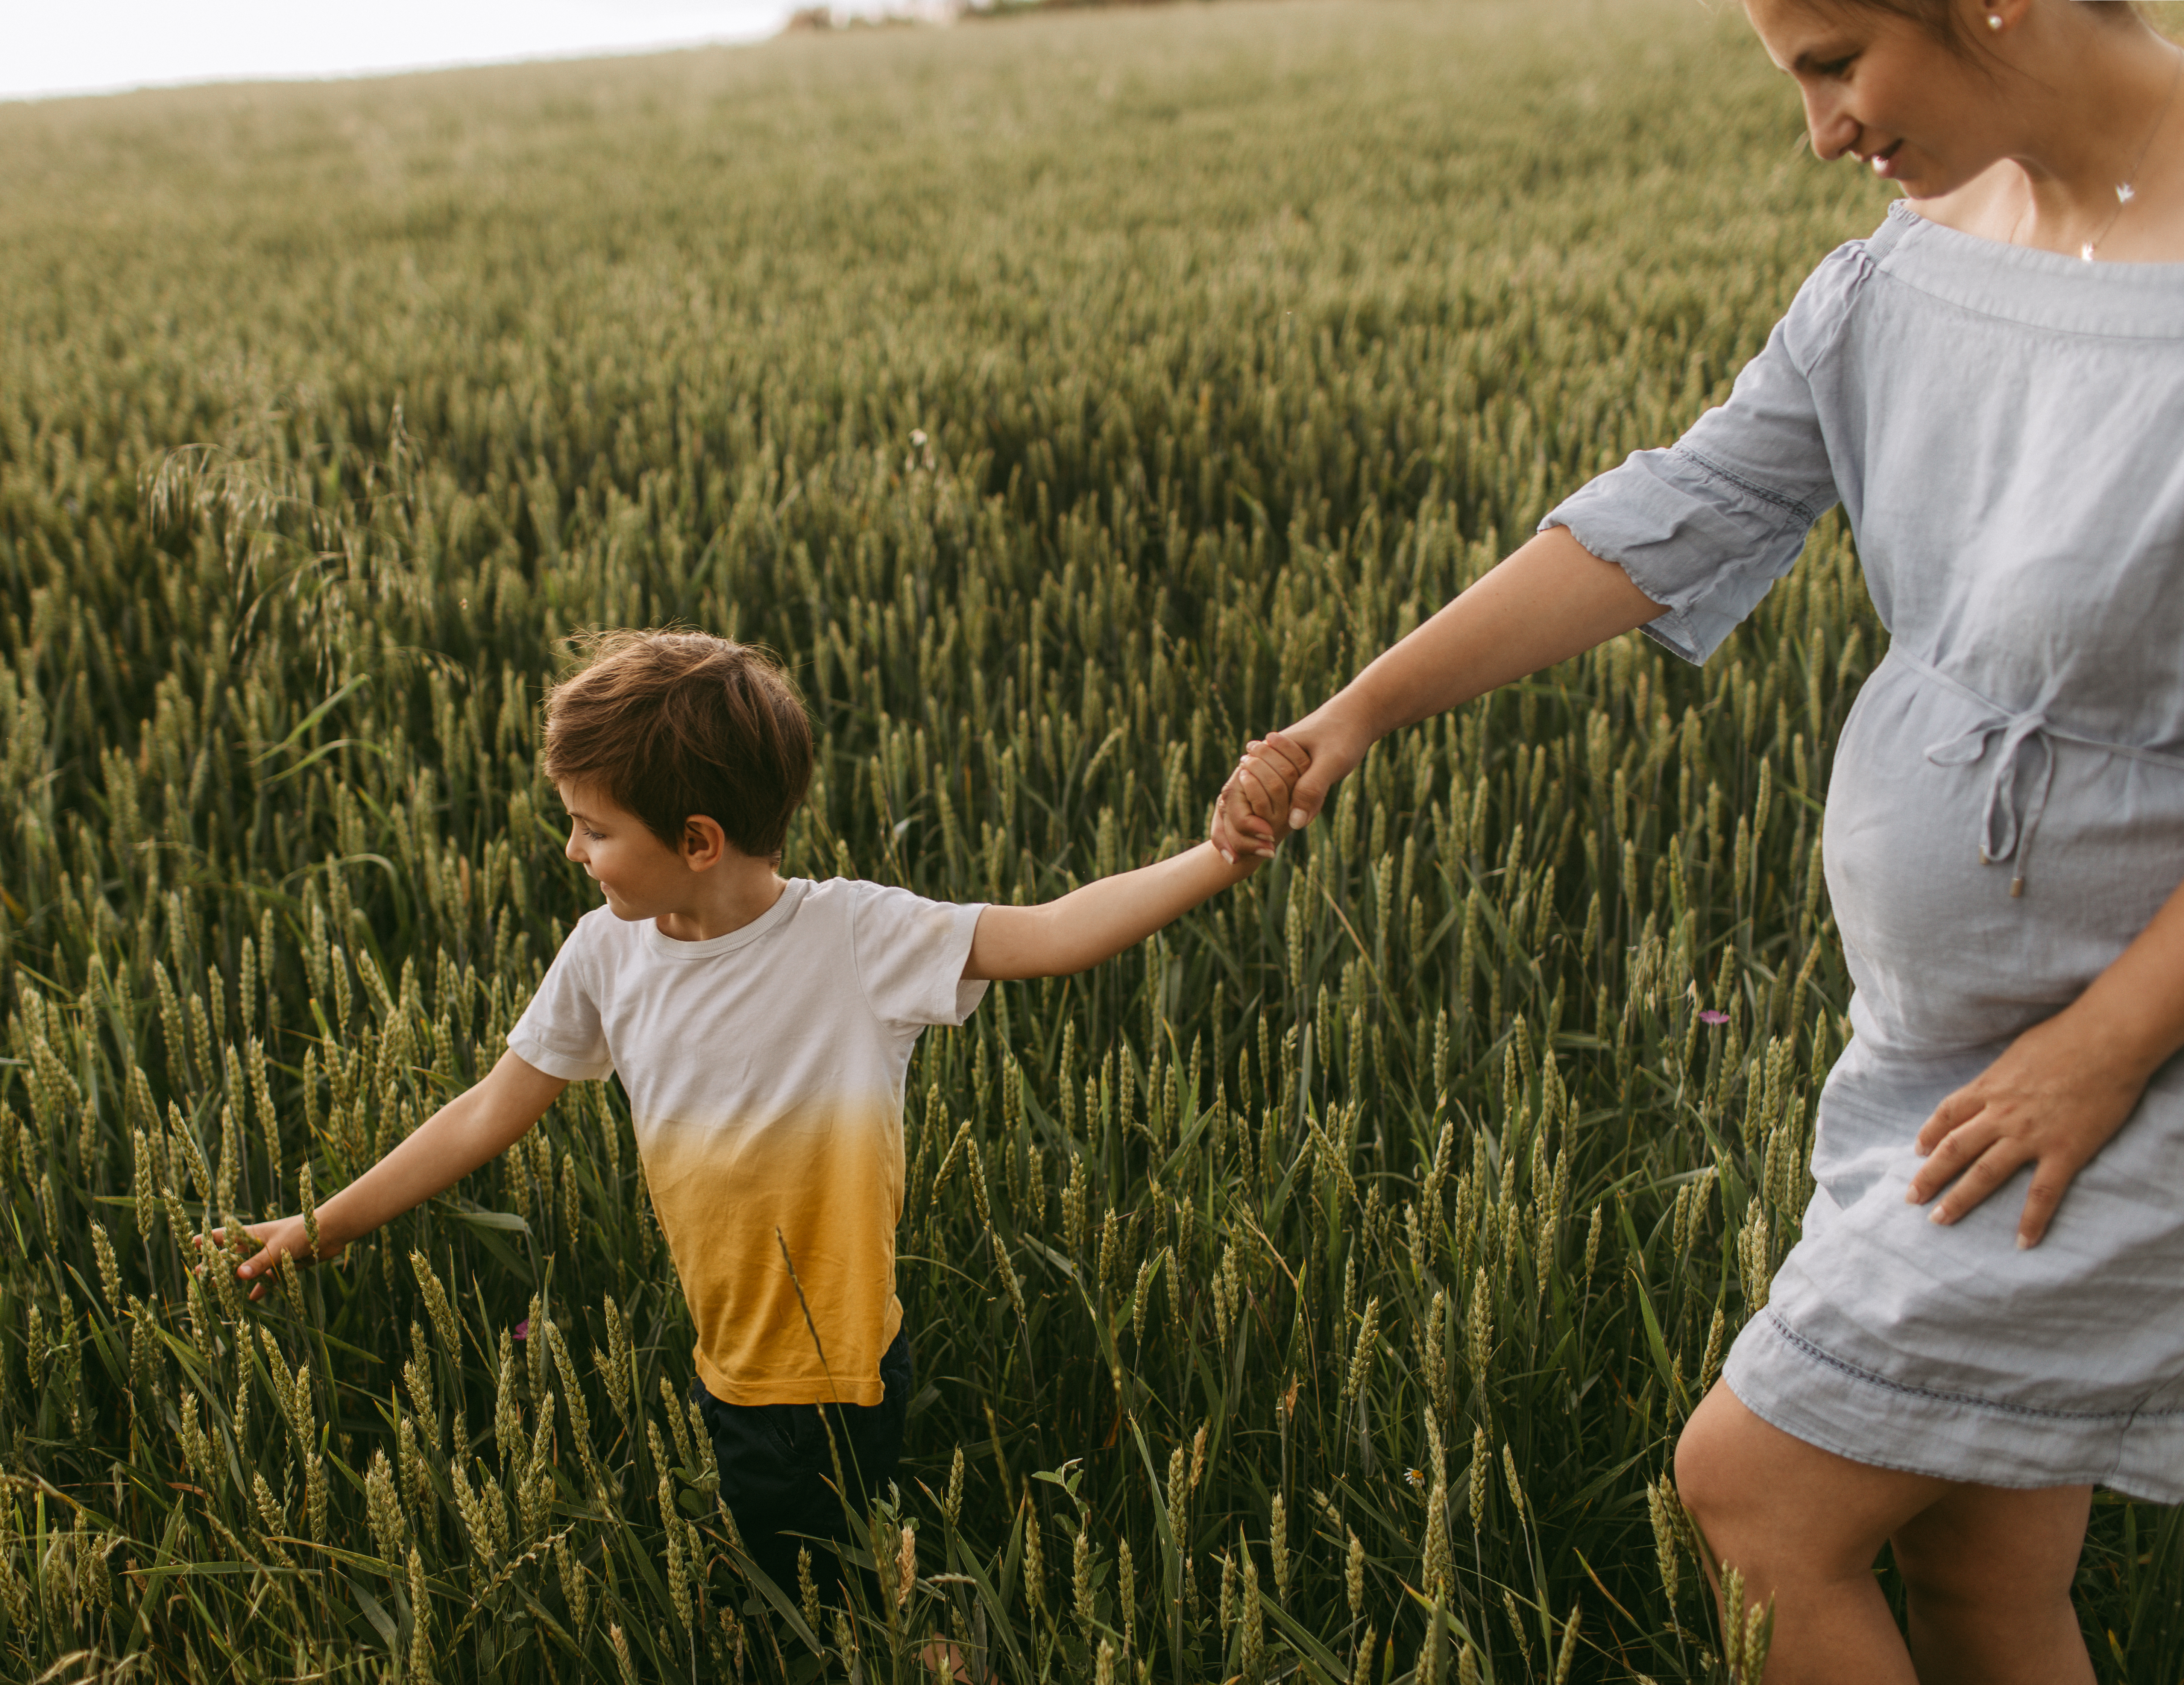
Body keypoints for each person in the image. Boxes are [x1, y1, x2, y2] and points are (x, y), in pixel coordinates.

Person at [1215, 1, 2184, 1679]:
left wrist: (2102, 1050)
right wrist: (1362, 708)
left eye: (1834, 62)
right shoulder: (1915, 265)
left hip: (2122, 1066)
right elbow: (1691, 502)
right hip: (1942, 1062)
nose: (1822, 132)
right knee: (1980, 1572)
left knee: (1754, 1495)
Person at [224, 629, 1259, 1645]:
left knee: (813, 1596)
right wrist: (323, 1224)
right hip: (730, 1358)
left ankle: (908, 1642)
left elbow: (1058, 931)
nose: (571, 849)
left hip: (847, 1364)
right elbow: (488, 1110)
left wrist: (1221, 855)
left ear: (699, 841)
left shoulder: (857, 938)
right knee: (800, 1563)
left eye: (593, 828)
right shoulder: (606, 956)